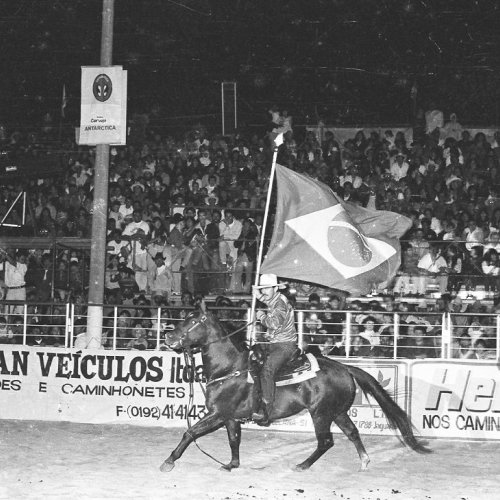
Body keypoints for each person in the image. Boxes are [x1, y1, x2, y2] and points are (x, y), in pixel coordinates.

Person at [252, 273, 297, 426]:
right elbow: (268, 300)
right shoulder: (275, 299)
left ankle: (267, 409)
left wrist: (261, 316)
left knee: (267, 371)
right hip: (275, 342)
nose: (264, 291)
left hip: (285, 345)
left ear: (275, 288)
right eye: (262, 288)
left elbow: (274, 323)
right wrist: (258, 297)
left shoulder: (280, 304)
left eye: (267, 288)